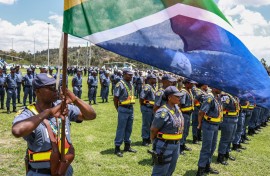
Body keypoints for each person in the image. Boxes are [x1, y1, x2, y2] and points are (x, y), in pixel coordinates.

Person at [11, 73, 96, 176]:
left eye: (56, 86)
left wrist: (75, 100)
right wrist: (48, 113)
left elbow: (91, 115)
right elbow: (17, 131)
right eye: (50, 87)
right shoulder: (29, 112)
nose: (55, 90)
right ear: (37, 91)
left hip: (64, 170)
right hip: (41, 172)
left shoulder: (62, 106)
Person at [150, 86, 184, 176]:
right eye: (177, 96)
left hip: (176, 144)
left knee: (170, 170)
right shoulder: (163, 112)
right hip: (165, 145)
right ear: (169, 97)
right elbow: (154, 129)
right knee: (160, 171)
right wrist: (154, 142)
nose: (179, 98)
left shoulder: (177, 108)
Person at [196, 88, 222, 176]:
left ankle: (207, 165)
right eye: (219, 87)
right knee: (206, 148)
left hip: (215, 125)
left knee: (213, 147)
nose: (221, 89)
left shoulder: (217, 97)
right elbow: (201, 112)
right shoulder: (209, 97)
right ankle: (200, 170)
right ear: (214, 88)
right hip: (209, 125)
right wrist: (200, 124)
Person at [113, 68, 136, 157]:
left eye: (131, 75)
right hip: (123, 108)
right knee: (121, 128)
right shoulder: (120, 84)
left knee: (129, 128)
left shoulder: (130, 83)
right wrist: (118, 108)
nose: (131, 76)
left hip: (131, 108)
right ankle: (117, 147)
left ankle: (127, 146)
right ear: (124, 74)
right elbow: (115, 98)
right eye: (129, 75)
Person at [217, 93, 240, 165]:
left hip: (234, 119)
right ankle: (221, 156)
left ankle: (227, 152)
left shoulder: (234, 96)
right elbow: (221, 107)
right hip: (228, 119)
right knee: (225, 139)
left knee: (231, 138)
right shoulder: (226, 96)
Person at [179, 79, 196, 155]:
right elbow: (180, 104)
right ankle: (180, 147)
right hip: (184, 114)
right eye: (191, 84)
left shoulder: (189, 91)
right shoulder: (183, 92)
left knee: (186, 131)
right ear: (187, 84)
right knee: (183, 130)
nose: (193, 85)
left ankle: (183, 143)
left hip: (188, 114)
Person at [140, 74, 157, 146]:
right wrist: (143, 106)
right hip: (147, 108)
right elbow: (141, 97)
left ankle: (149, 138)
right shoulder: (147, 87)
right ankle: (145, 139)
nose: (155, 80)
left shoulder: (152, 87)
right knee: (146, 124)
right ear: (150, 79)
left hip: (152, 108)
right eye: (154, 78)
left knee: (151, 124)